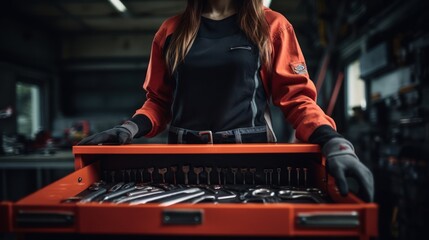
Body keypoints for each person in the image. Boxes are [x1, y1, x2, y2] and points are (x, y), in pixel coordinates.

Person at [78, 0, 374, 202]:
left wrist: (332, 140)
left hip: (253, 167)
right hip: (183, 168)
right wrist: (130, 128)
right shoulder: (171, 32)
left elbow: (296, 98)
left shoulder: (271, 26)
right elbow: (158, 101)